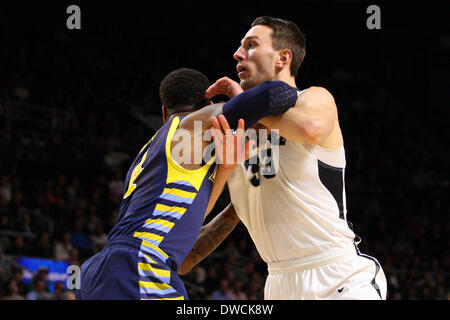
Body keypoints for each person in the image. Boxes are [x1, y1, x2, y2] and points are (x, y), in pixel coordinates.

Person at [181, 16, 387, 300]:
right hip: (278, 283)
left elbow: (309, 128)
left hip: (337, 275)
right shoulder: (238, 134)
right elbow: (237, 207)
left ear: (283, 57)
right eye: (240, 47)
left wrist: (243, 103)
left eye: (251, 45)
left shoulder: (314, 98)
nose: (237, 53)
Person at [76, 68, 299, 300]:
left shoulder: (155, 155)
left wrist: (235, 188)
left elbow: (185, 255)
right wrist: (239, 94)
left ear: (164, 112)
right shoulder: (192, 124)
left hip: (102, 271)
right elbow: (276, 94)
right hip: (139, 265)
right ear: (208, 103)